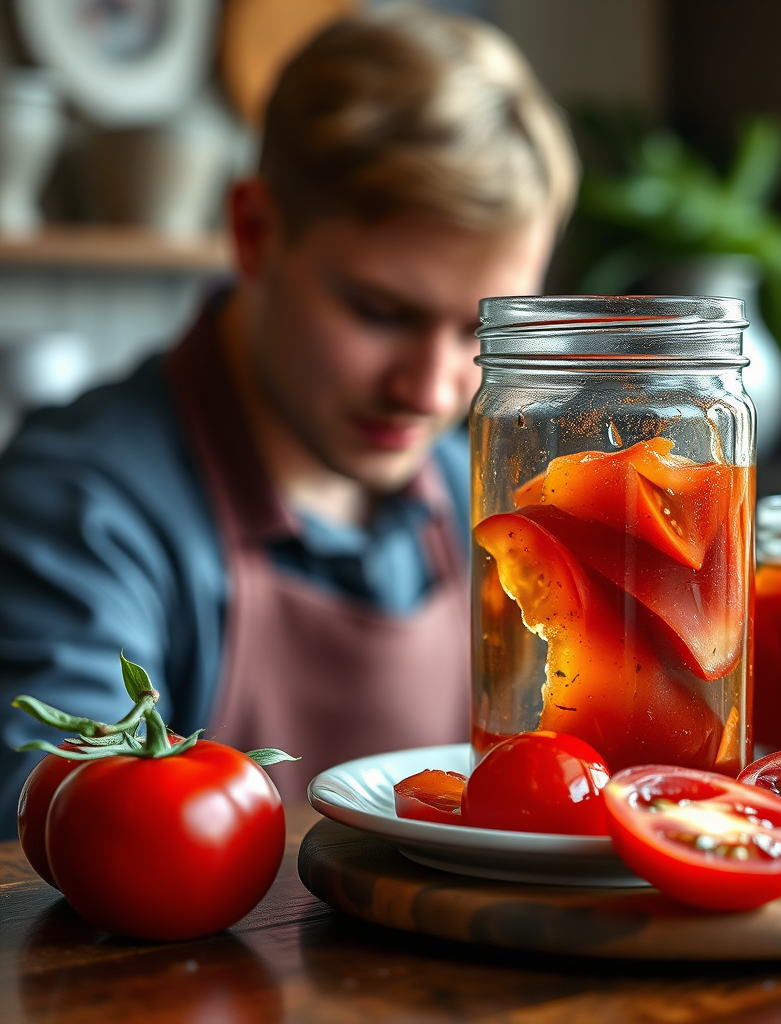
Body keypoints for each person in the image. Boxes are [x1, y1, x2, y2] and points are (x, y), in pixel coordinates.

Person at [0, 5, 577, 835]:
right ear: (254, 233)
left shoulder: (477, 497)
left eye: (480, 333)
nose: (432, 387)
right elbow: (67, 833)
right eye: (380, 311)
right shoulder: (76, 510)